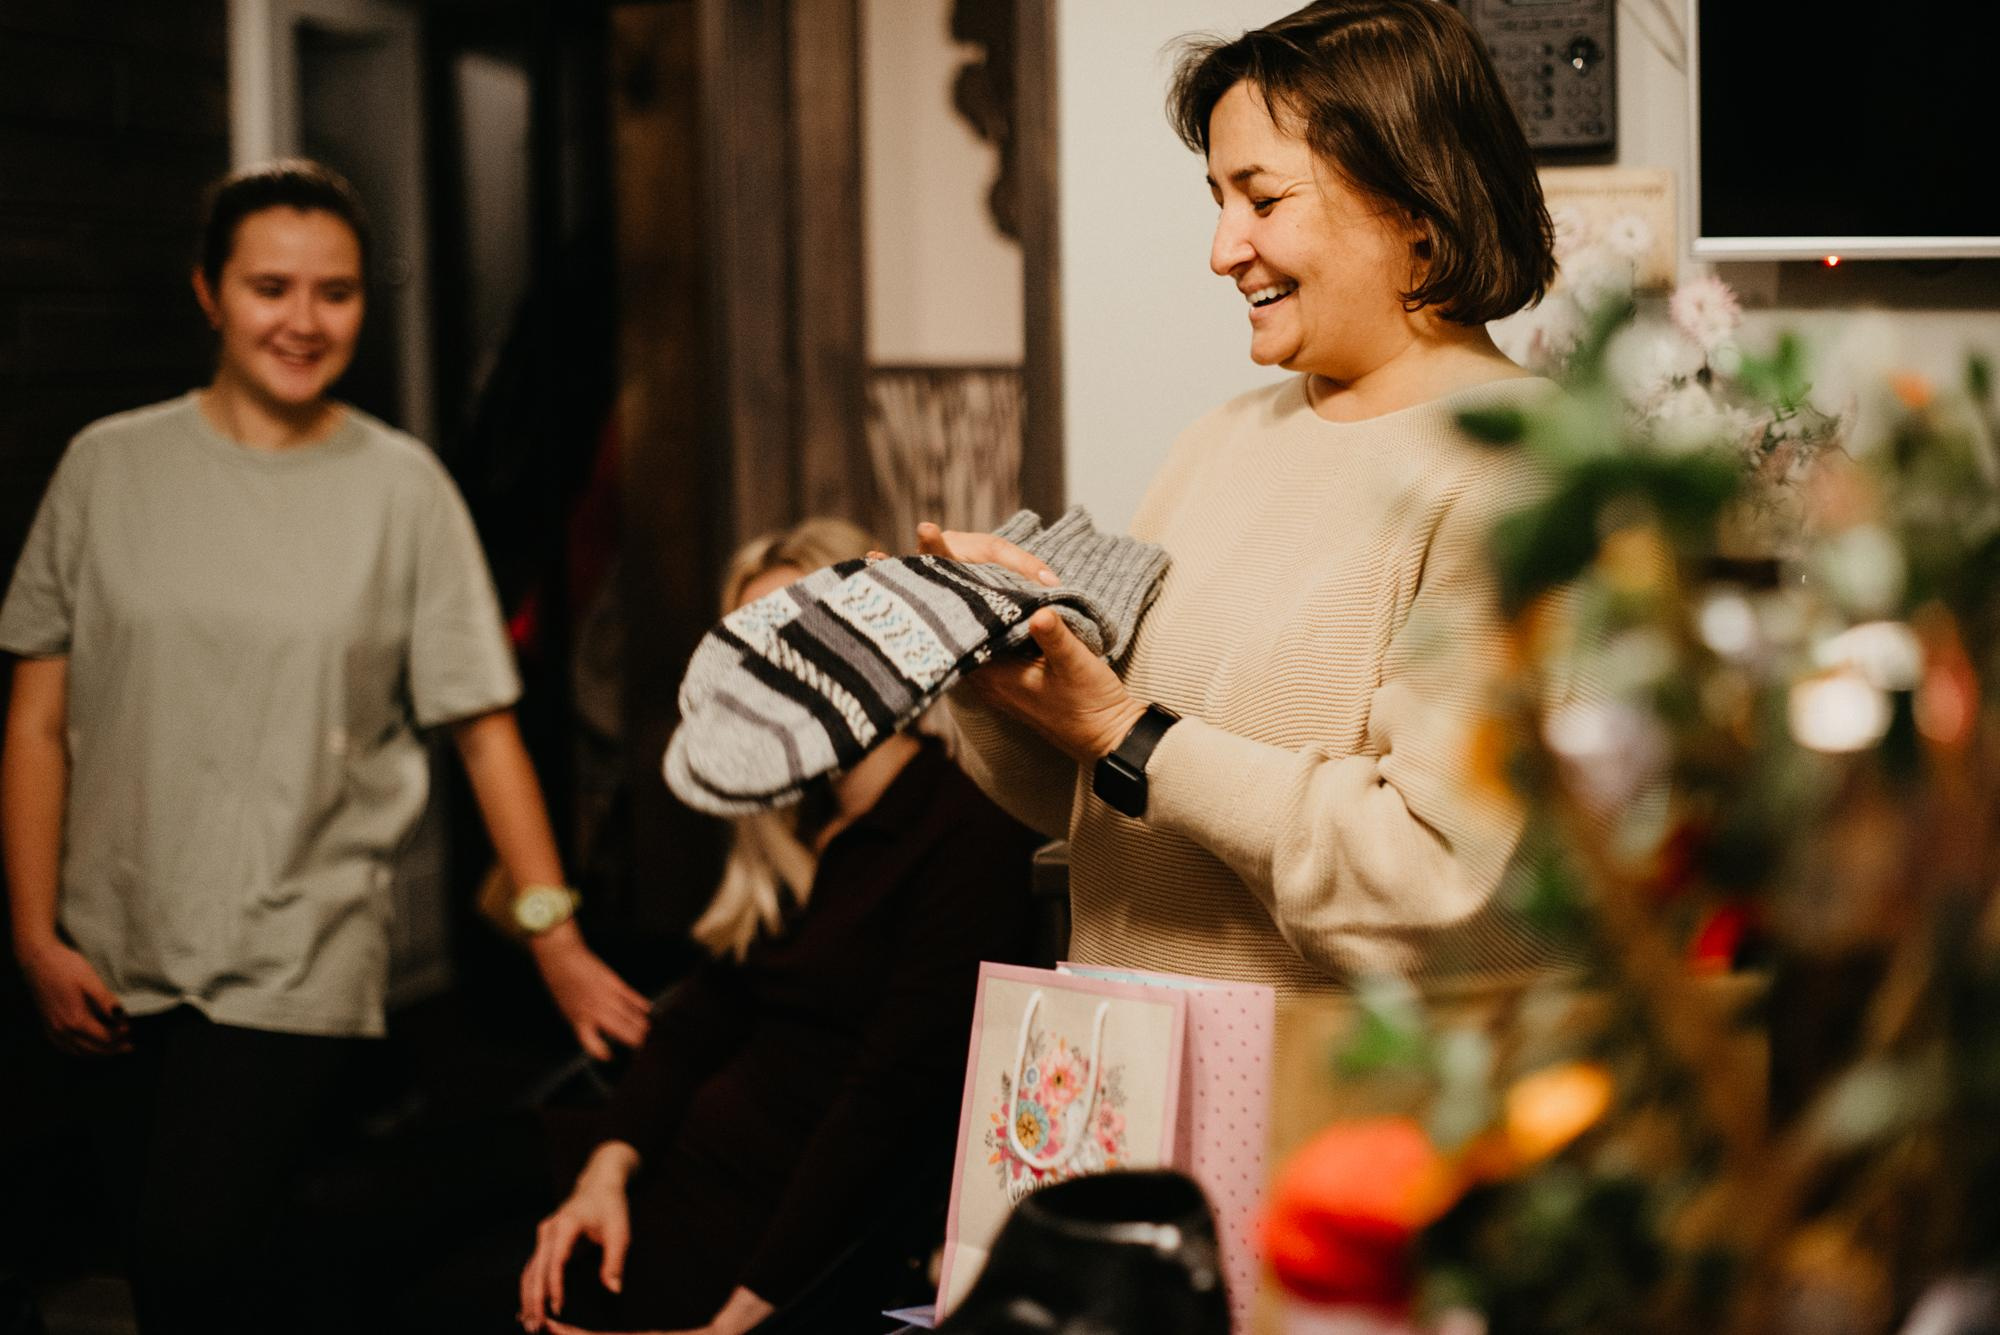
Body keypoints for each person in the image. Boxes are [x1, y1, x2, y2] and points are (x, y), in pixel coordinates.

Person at [0, 159, 648, 1334]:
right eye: (271, 286)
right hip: (113, 938)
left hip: (298, 945)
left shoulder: (402, 490)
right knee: (175, 1266)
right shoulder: (107, 466)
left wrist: (553, 936)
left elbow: (484, 732)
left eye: (335, 292)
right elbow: (40, 718)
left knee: (189, 1254)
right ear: (209, 292)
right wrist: (34, 932)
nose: (304, 320)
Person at [923, 0, 1563, 992]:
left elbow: (1439, 890)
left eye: (1262, 202)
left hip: (1331, 1125)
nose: (1222, 251)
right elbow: (1103, 802)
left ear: (1414, 210)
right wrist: (998, 677)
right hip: (1129, 1092)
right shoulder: (1217, 442)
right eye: (1217, 200)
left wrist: (1128, 732)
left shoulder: (1523, 472)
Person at [516, 519, 1039, 1335]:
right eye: (759, 660)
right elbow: (698, 1019)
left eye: (806, 645)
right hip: (670, 1179)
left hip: (769, 1243)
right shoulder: (793, 831)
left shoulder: (964, 824)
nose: (779, 683)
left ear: (874, 647)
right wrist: (604, 1171)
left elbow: (890, 1098)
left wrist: (741, 1320)